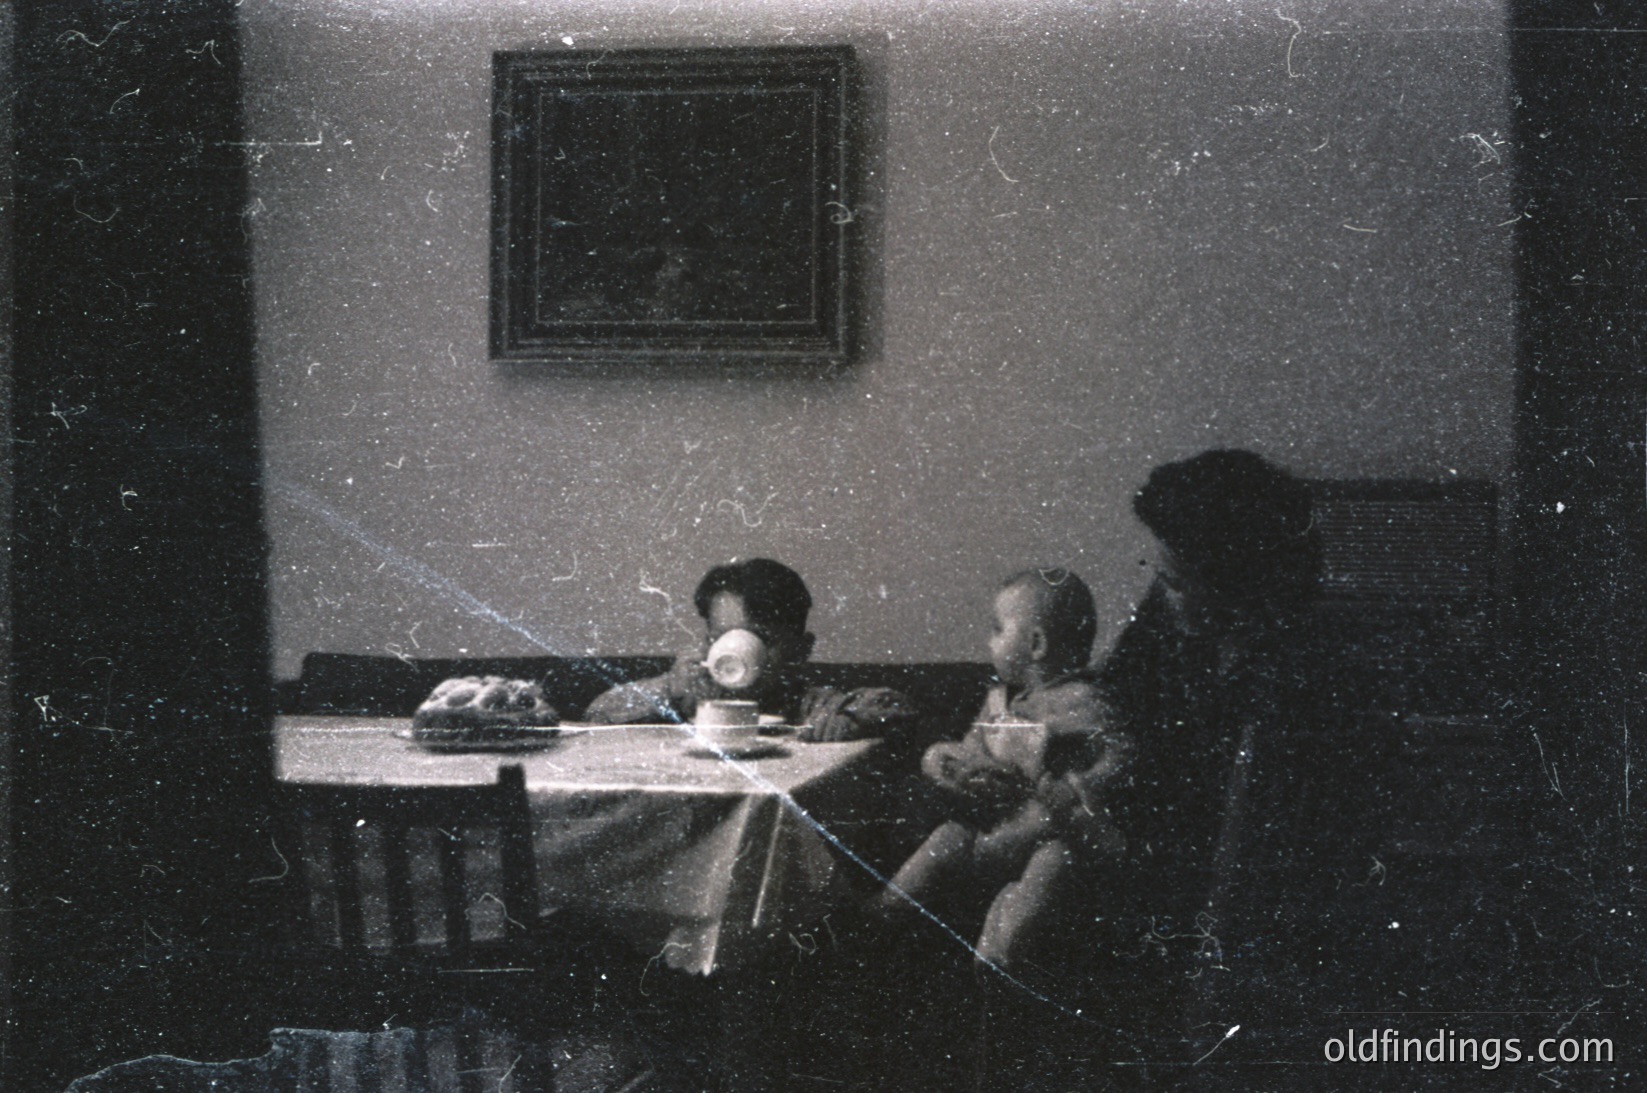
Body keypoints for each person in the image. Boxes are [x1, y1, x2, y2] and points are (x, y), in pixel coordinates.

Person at [874, 568, 1132, 971]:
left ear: (1035, 644)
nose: (989, 642)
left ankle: (1001, 953)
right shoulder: (998, 704)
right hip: (992, 832)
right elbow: (969, 750)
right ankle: (883, 912)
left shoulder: (1084, 702)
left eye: (997, 629)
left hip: (1049, 833)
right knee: (948, 836)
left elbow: (1120, 757)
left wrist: (1081, 785)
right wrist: (953, 766)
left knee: (1054, 865)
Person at [583, 557, 917, 743]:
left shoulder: (808, 705)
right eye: (720, 638)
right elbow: (597, 713)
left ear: (800, 650)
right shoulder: (686, 695)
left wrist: (853, 716)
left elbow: (898, 709)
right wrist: (669, 691)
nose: (734, 652)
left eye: (761, 639)